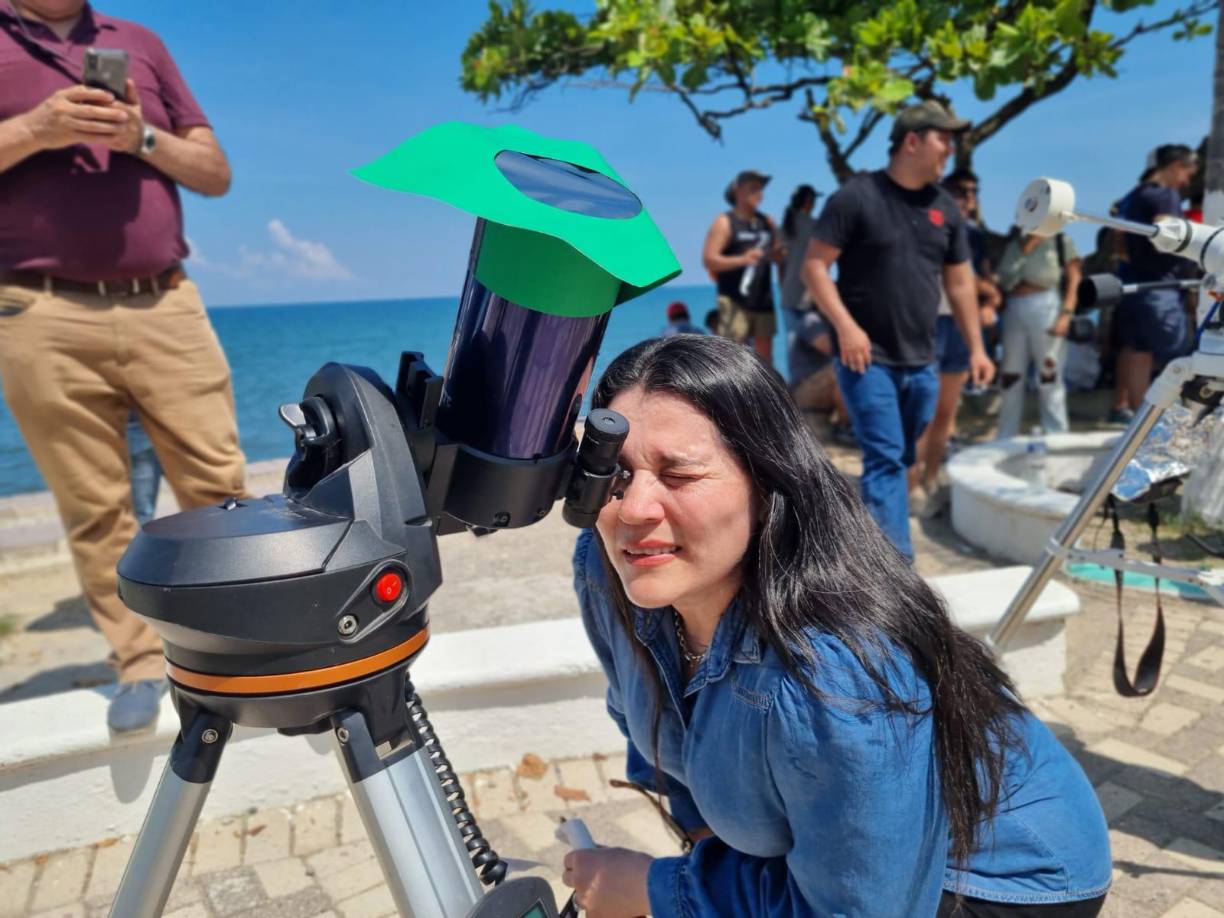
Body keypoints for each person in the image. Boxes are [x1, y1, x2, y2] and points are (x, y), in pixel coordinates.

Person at [562, 334, 1111, 917]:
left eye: (679, 476)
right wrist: (703, 862)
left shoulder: (838, 682)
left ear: (767, 483)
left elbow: (860, 911)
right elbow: (658, 735)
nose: (634, 510)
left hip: (1002, 880)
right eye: (615, 473)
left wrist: (657, 888)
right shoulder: (606, 572)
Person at [0, 0, 247, 732]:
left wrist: (140, 134)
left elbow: (214, 173)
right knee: (94, 504)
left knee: (218, 484)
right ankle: (138, 662)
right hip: (36, 310)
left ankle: (239, 645)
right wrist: (35, 130)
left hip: (164, 301)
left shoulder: (139, 42)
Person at [802, 101, 993, 561]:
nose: (950, 148)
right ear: (912, 141)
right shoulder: (856, 197)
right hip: (867, 360)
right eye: (942, 138)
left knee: (903, 459)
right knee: (886, 460)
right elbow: (814, 266)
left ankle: (865, 542)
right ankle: (896, 571)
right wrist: (846, 327)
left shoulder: (945, 208)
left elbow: (961, 282)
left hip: (922, 362)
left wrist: (978, 349)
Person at [914, 169, 1001, 514]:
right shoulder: (926, 225)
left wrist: (990, 302)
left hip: (961, 328)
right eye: (960, 191)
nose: (967, 198)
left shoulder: (977, 236)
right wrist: (982, 289)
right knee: (922, 410)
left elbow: (986, 280)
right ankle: (911, 483)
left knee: (946, 411)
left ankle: (932, 477)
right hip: (928, 322)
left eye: (973, 192)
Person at [1109, 144, 1199, 422]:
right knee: (1186, 362)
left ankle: (1141, 424)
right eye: (1187, 174)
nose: (1186, 182)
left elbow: (1119, 244)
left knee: (1138, 352)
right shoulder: (1165, 195)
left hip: (1133, 287)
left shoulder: (1131, 198)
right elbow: (1166, 235)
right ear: (1175, 166)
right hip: (1161, 291)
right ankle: (1183, 426)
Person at [993, 227, 1081, 439]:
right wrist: (1027, 246)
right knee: (1011, 375)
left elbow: (1074, 279)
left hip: (1046, 304)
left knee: (1049, 373)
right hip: (1015, 305)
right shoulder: (1015, 243)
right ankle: (1006, 434)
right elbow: (1003, 277)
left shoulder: (1060, 241)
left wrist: (1066, 313)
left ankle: (1056, 433)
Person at [702, 169, 781, 365]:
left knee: (765, 359)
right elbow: (709, 260)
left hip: (763, 299)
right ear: (738, 191)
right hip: (734, 301)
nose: (759, 193)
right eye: (753, 188)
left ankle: (764, 394)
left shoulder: (767, 221)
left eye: (760, 189)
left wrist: (779, 255)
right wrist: (742, 260)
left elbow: (776, 254)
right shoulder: (724, 222)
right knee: (734, 358)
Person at [777, 184, 822, 384]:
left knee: (792, 343)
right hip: (810, 293)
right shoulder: (815, 226)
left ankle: (795, 386)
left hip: (788, 293)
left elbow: (780, 261)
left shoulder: (785, 226)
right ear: (809, 202)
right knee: (816, 343)